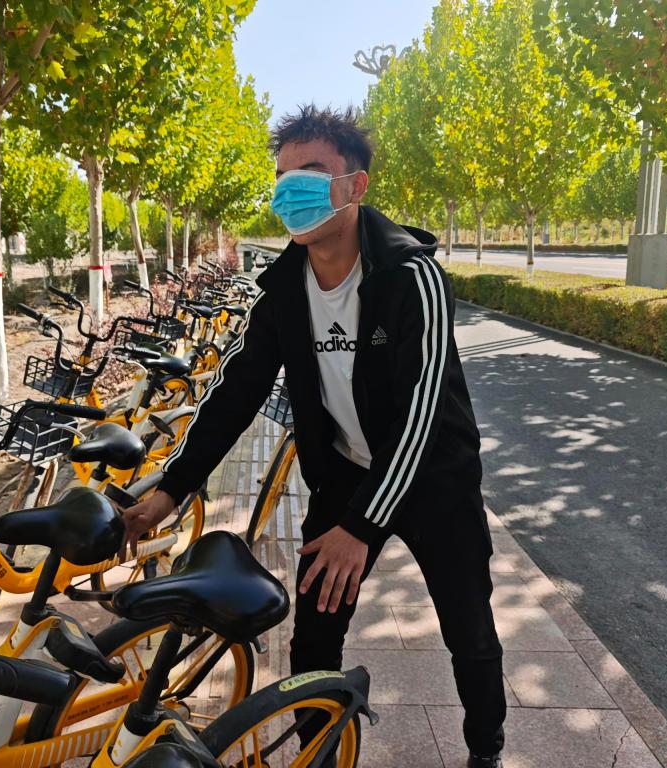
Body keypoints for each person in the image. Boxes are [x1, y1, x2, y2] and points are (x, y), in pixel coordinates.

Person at [123, 105, 506, 768]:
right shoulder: (283, 291)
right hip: (346, 476)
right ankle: (316, 757)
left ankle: (485, 751)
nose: (290, 188)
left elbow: (422, 413)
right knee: (314, 640)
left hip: (432, 480)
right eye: (282, 176)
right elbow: (235, 392)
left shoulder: (412, 277)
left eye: (310, 171)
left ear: (355, 185)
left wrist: (361, 527)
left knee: (469, 630)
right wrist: (170, 491)